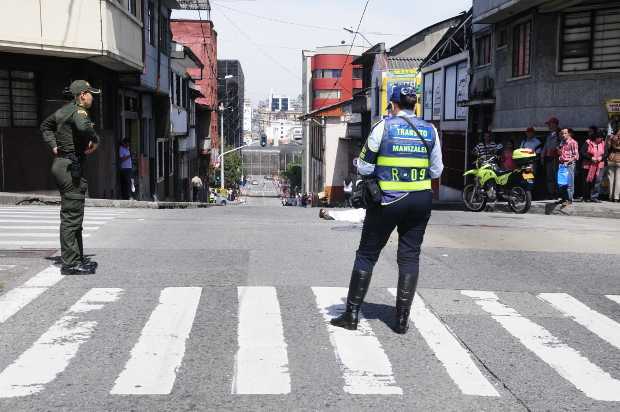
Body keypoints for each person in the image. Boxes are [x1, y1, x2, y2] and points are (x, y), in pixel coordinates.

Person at [330, 85, 443, 335]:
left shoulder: (384, 126)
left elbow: (365, 167)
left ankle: (351, 315)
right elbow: (436, 171)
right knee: (410, 256)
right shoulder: (429, 130)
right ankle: (401, 321)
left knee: (367, 254)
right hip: (420, 200)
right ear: (415, 105)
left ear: (392, 105)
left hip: (387, 201)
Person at [40, 80, 101, 275]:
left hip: (64, 164)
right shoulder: (79, 112)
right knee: (71, 217)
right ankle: (70, 263)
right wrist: (95, 140)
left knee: (74, 216)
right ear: (83, 94)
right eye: (91, 93)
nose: (93, 97)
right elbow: (84, 128)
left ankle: (77, 257)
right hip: (69, 167)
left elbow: (45, 127)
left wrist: (54, 145)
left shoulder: (64, 111)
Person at [581, 128, 605, 202]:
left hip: (599, 165)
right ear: (595, 137)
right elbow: (583, 152)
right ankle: (586, 196)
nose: (601, 139)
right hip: (588, 164)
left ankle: (594, 196)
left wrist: (601, 157)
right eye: (599, 137)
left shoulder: (603, 143)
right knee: (587, 180)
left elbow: (606, 153)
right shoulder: (588, 142)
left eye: (601, 137)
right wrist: (591, 158)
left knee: (597, 180)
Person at [557, 128, 579, 207]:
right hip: (562, 164)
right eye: (562, 133)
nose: (563, 135)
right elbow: (561, 153)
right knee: (562, 182)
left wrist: (568, 162)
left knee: (569, 182)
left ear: (569, 134)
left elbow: (576, 156)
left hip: (569, 164)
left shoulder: (573, 142)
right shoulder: (562, 142)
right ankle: (564, 198)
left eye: (565, 133)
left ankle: (569, 199)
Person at [542, 117, 561, 199]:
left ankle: (557, 193)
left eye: (550, 124)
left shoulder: (559, 134)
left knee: (557, 176)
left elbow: (562, 145)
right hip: (549, 158)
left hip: (556, 158)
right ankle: (551, 193)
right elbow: (545, 147)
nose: (548, 126)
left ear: (554, 124)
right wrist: (542, 156)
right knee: (549, 176)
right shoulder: (549, 135)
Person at [607, 131, 620, 202]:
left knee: (610, 179)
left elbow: (608, 147)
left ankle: (610, 196)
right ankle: (616, 197)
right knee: (618, 179)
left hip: (611, 158)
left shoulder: (611, 137)